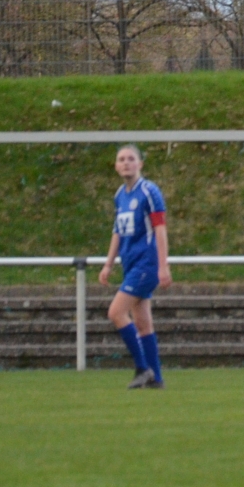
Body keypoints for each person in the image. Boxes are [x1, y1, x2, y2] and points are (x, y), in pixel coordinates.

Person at [98, 144, 172, 390]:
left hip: (146, 263)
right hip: (131, 264)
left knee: (116, 312)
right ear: (116, 165)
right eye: (121, 159)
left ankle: (143, 368)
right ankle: (157, 379)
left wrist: (162, 265)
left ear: (140, 163)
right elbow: (118, 232)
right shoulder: (121, 194)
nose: (126, 163)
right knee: (143, 322)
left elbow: (160, 229)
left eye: (131, 158)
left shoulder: (149, 191)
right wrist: (108, 264)